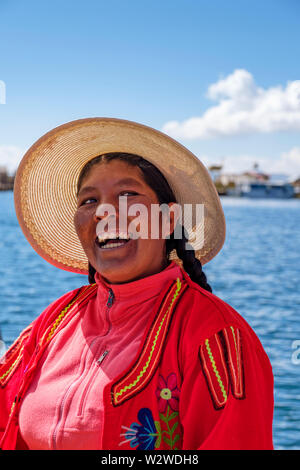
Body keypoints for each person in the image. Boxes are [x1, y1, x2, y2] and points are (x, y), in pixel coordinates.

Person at [0, 118, 274, 450]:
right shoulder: (55, 322)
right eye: (89, 201)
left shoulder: (214, 337)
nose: (104, 212)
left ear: (169, 218)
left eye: (128, 194)